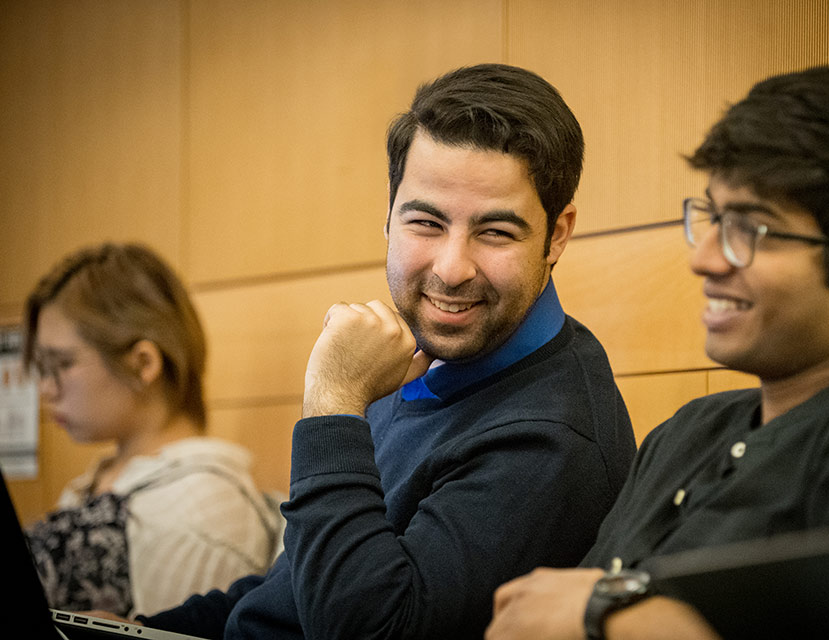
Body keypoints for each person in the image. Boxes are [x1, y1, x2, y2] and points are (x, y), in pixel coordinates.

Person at [135, 63, 637, 639]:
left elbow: (370, 629)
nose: (451, 269)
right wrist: (139, 629)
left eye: (496, 232)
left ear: (558, 235)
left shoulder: (551, 438)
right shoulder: (421, 362)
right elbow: (297, 586)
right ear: (389, 216)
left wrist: (334, 404)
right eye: (425, 222)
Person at [486, 65, 829, 640]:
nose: (704, 259)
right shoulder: (687, 432)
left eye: (751, 229)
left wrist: (606, 612)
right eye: (712, 217)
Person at [21, 242, 280, 618]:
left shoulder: (203, 507)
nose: (46, 389)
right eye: (41, 369)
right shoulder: (97, 481)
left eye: (61, 364)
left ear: (143, 363)